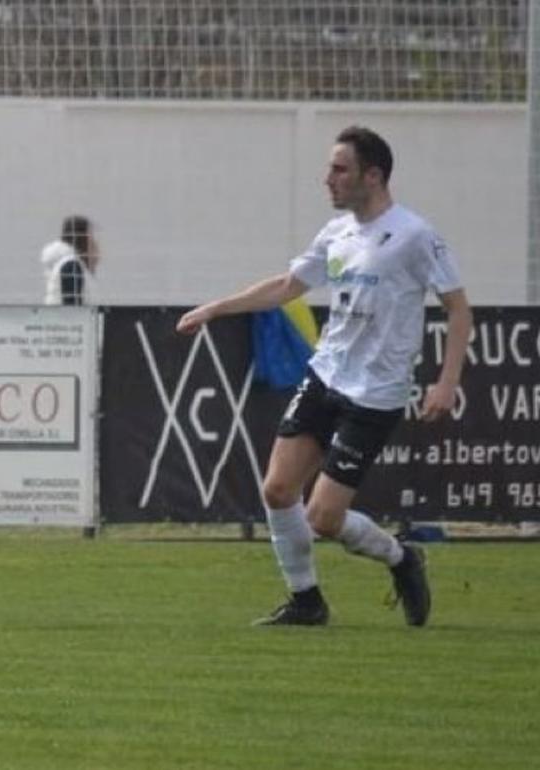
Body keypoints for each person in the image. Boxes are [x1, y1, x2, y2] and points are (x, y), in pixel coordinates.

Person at [176, 126, 472, 627]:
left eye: (339, 169)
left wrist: (446, 383)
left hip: (375, 393)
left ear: (372, 176)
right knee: (276, 490)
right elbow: (289, 285)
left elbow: (458, 310)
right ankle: (306, 600)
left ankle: (402, 558)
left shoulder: (415, 236)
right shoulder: (335, 232)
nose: (327, 179)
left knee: (324, 518)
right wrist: (216, 308)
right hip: (326, 374)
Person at [41, 214, 99, 305]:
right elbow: (72, 308)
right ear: (83, 239)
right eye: (91, 237)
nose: (94, 243)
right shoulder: (72, 265)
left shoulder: (67, 264)